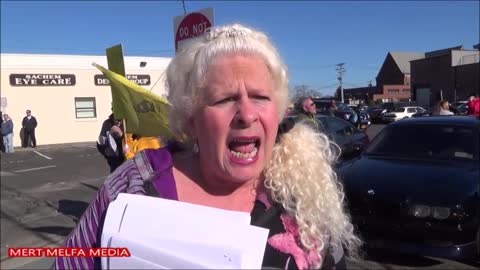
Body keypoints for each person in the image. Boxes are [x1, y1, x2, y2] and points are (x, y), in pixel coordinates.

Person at [54, 24, 361, 270]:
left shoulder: (304, 196)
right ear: (191, 118)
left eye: (260, 97)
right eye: (225, 99)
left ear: (278, 111)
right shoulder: (136, 184)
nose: (246, 114)